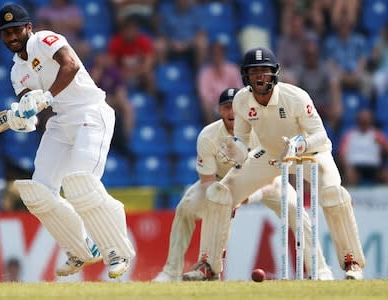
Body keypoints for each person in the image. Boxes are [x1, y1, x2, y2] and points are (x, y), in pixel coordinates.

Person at [194, 47, 365, 280]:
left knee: (333, 194)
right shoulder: (242, 100)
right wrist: (236, 150)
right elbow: (243, 142)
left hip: (311, 153)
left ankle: (351, 261)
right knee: (220, 193)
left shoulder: (295, 97)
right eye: (254, 72)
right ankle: (208, 266)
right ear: (246, 76)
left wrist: (299, 145)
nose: (260, 76)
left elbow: (322, 136)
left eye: (264, 71)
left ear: (275, 73)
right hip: (270, 154)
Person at [0, 3, 135, 279]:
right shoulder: (16, 72)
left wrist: (47, 97)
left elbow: (69, 65)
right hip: (60, 123)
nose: (11, 36)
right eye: (5, 32)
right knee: (38, 193)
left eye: (15, 29)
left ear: (28, 27)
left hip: (90, 112)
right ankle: (80, 249)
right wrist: (23, 118)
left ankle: (117, 252)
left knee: (81, 185)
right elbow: (30, 106)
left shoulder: (45, 40)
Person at [153, 88, 333, 282]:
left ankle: (320, 270)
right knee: (185, 207)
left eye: (234, 108)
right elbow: (207, 182)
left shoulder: (260, 130)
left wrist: (244, 196)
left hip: (268, 181)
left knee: (296, 211)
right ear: (219, 111)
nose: (231, 113)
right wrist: (226, 197)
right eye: (226, 108)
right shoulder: (208, 136)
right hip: (222, 183)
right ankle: (174, 271)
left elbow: (270, 174)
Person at [338, 109, 388, 186]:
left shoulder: (377, 135)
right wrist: (347, 167)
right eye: (362, 120)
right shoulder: (349, 135)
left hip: (374, 167)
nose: (364, 122)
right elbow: (341, 154)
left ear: (371, 121)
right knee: (350, 176)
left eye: (366, 120)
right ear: (358, 120)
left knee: (385, 175)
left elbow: (386, 149)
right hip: (354, 166)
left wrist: (382, 146)